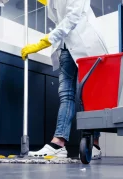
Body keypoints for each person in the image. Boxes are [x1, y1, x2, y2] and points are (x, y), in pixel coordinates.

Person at [21, 0, 108, 159]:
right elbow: (60, 22)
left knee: (91, 96)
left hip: (87, 45)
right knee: (65, 94)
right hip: (66, 47)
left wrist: (46, 41)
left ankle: (94, 144)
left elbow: (73, 16)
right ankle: (58, 144)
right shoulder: (51, 3)